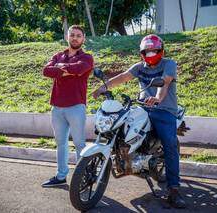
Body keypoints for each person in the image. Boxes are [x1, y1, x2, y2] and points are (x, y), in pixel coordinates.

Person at [92, 34, 186, 208]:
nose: (150, 54)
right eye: (147, 52)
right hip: (142, 108)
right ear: (142, 53)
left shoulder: (169, 64)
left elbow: (165, 83)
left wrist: (157, 98)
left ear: (161, 51)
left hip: (164, 110)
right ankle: (127, 157)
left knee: (170, 144)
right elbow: (123, 77)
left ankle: (174, 189)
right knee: (121, 127)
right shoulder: (139, 67)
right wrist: (102, 88)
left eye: (154, 51)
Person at [41, 25, 94, 187]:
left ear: (83, 39)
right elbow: (46, 71)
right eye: (72, 35)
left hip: (76, 106)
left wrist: (60, 68)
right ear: (67, 37)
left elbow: (80, 68)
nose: (75, 38)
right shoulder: (58, 55)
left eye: (78, 35)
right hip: (57, 107)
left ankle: (83, 177)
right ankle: (61, 175)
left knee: (79, 144)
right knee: (61, 143)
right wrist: (66, 70)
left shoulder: (87, 57)